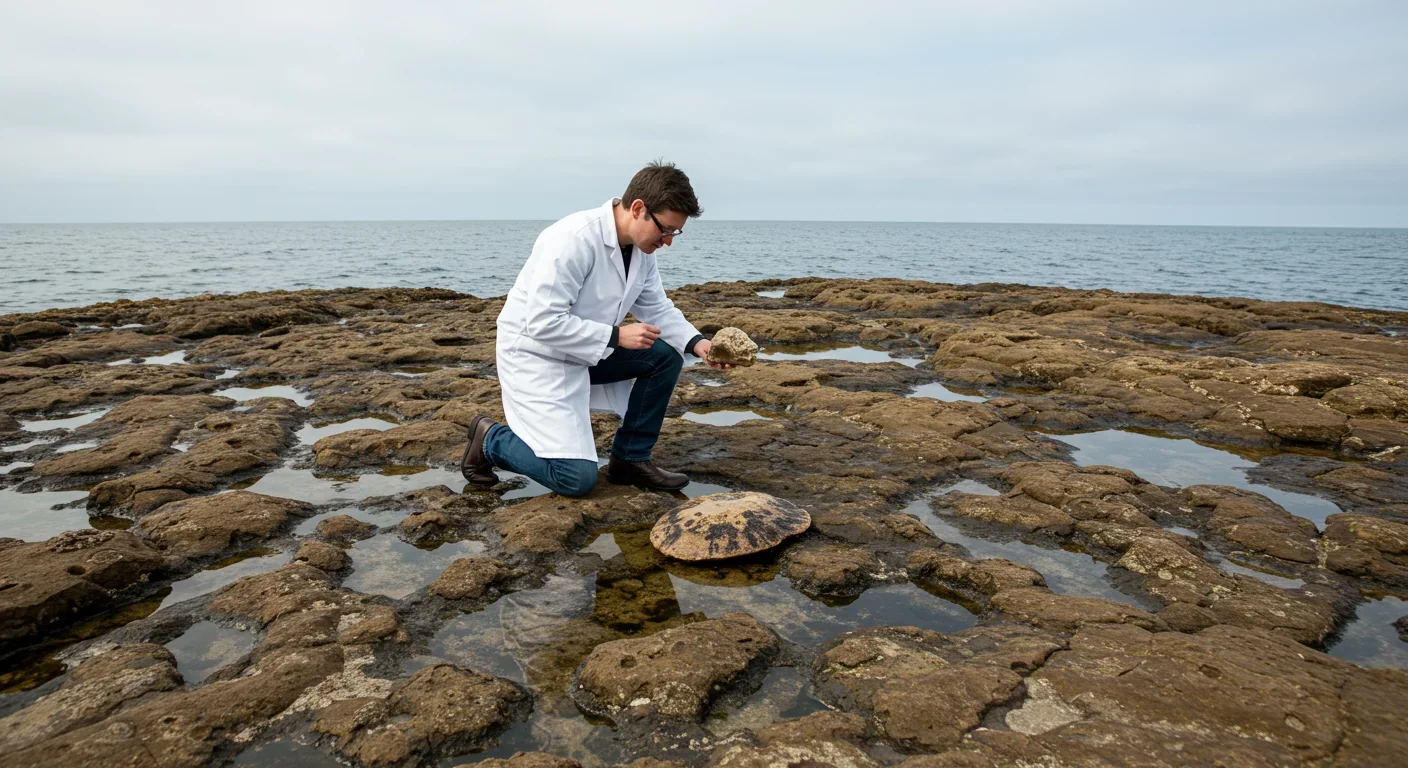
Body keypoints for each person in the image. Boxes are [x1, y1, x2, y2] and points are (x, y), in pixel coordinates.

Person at [461, 162, 729, 497]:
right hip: (536, 356)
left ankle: (630, 459)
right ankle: (490, 440)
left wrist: (699, 344)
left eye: (675, 232)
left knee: (664, 356)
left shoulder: (641, 250)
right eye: (667, 230)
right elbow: (542, 322)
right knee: (575, 478)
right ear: (638, 209)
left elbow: (656, 306)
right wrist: (617, 336)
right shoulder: (572, 239)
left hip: (586, 350)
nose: (669, 241)